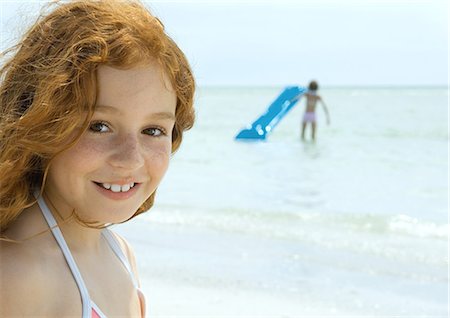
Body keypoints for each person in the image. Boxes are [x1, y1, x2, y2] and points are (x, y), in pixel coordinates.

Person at [0, 1, 195, 317]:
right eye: (99, 126)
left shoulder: (121, 254)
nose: (131, 159)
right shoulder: (19, 274)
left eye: (153, 130)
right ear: (36, 121)